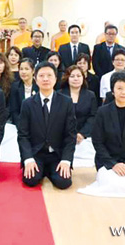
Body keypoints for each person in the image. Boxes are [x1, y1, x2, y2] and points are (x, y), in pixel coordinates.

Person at [17, 61, 76, 189]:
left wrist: (66, 161)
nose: (45, 79)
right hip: (36, 153)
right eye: (41, 76)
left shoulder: (66, 102)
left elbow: (70, 136)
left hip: (57, 154)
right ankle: (41, 169)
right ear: (35, 79)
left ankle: (49, 170)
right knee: (30, 180)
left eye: (49, 75)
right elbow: (23, 135)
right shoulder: (27, 104)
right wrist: (28, 159)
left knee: (63, 182)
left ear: (56, 78)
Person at [59, 66, 97, 144]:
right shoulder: (59, 95)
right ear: (67, 78)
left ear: (83, 78)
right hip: (63, 137)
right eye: (72, 76)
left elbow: (93, 116)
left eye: (79, 76)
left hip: (85, 138)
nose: (76, 79)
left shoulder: (90, 95)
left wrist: (82, 134)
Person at [9, 58, 38, 127]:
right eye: (21, 69)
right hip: (19, 125)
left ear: (33, 71)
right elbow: (14, 111)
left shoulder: (39, 86)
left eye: (26, 69)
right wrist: (21, 126)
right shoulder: (15, 86)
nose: (23, 72)